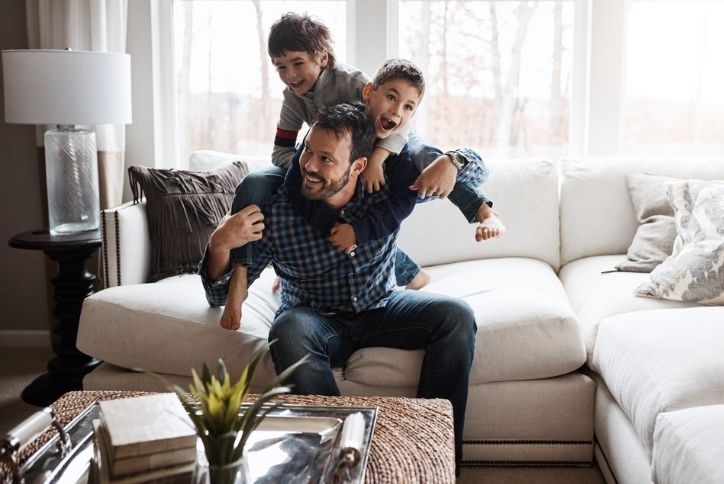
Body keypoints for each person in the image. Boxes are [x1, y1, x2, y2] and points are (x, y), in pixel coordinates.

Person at [200, 103, 476, 472]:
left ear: (358, 166)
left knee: (457, 316)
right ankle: (340, 464)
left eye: (326, 159)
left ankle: (434, 458)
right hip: (315, 319)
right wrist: (219, 243)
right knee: (288, 329)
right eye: (307, 152)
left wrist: (454, 160)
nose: (310, 166)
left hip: (383, 305)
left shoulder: (385, 190)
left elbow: (475, 175)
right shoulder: (277, 210)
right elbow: (219, 296)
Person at [225, 13, 503, 294]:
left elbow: (390, 114)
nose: (290, 75)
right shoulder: (293, 97)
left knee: (428, 160)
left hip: (390, 142)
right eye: (281, 67)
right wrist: (313, 166)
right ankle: (261, 271)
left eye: (298, 63)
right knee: (259, 183)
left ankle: (483, 211)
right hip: (341, 167)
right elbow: (281, 151)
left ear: (322, 58)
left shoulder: (350, 82)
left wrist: (378, 158)